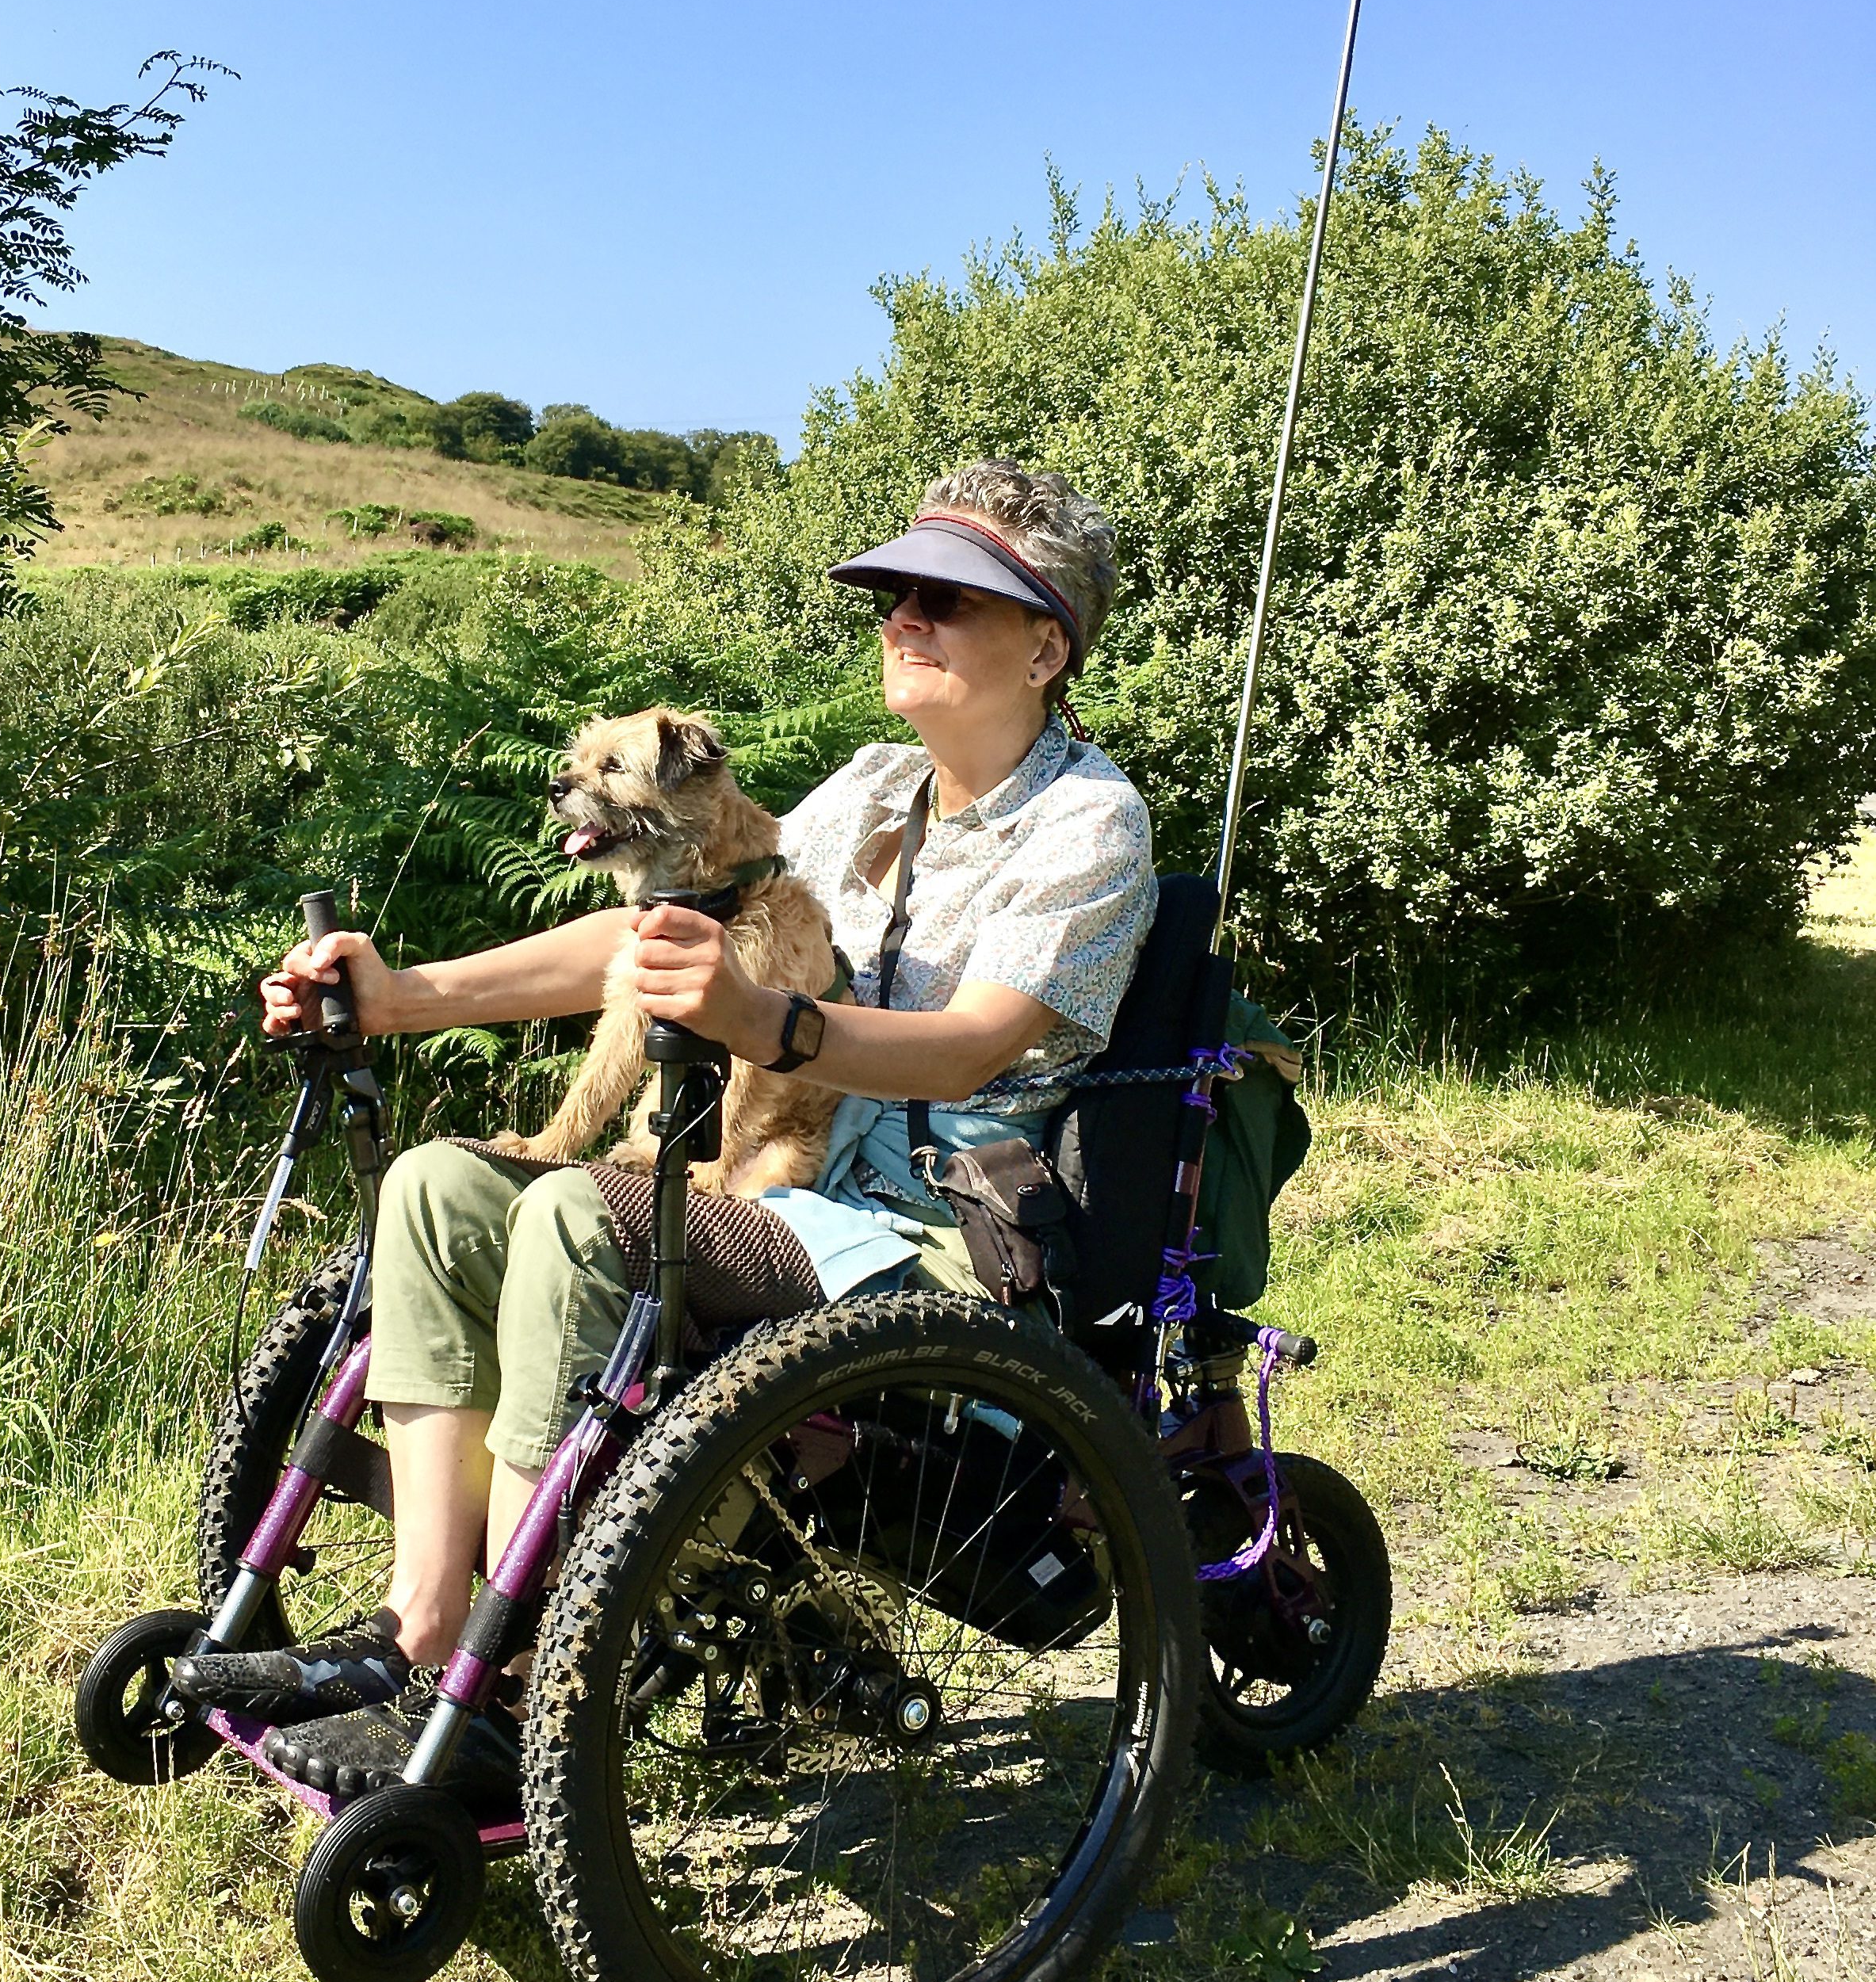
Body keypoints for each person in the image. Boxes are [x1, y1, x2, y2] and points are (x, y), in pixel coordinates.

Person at [178, 460, 1157, 1801]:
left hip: (932, 1230)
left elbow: (981, 1037)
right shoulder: (869, 787)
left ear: (1045, 643)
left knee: (584, 1212)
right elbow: (650, 941)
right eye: (893, 593)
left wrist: (772, 1024)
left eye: (946, 597)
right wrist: (401, 994)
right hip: (768, 1184)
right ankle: (418, 1632)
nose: (901, 618)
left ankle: (514, 1681)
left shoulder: (1088, 821)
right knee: (436, 1183)